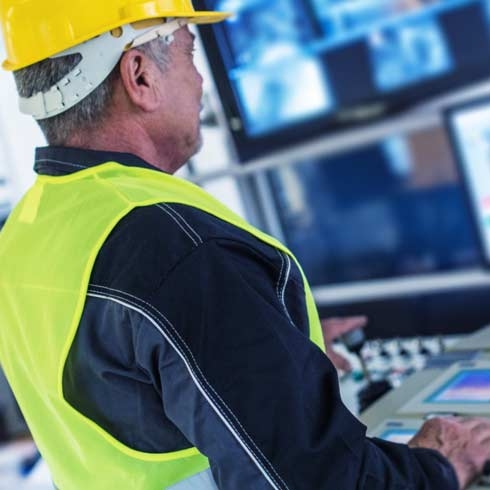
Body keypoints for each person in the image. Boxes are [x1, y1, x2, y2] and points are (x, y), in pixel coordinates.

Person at [0, 1, 489, 489]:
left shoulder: (22, 236)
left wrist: (265, 347)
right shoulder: (177, 246)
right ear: (139, 75)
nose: (201, 83)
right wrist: (441, 466)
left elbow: (119, 382)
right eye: (192, 54)